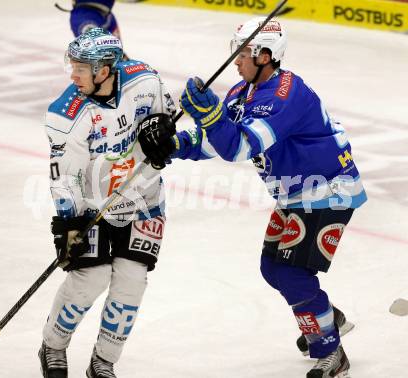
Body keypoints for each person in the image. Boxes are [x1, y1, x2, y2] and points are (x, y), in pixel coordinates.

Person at [138, 17, 366, 378]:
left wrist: (213, 118)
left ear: (266, 55)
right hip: (296, 192)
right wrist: (175, 144)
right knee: (273, 269)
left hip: (328, 188)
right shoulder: (241, 92)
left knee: (291, 274)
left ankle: (332, 351)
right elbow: (216, 141)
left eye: (244, 52)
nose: (236, 60)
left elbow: (241, 147)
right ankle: (328, 317)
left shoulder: (285, 95)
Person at [39, 27, 175, 378]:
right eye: (73, 66)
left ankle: (104, 361)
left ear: (104, 69)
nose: (73, 75)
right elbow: (64, 177)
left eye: (81, 68)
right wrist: (68, 225)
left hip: (144, 200)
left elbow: (168, 116)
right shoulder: (66, 115)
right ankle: (53, 345)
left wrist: (162, 133)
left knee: (132, 281)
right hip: (92, 208)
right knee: (90, 279)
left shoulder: (145, 81)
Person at [56, 0, 130, 59]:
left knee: (116, 54)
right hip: (86, 15)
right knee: (102, 54)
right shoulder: (83, 19)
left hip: (106, 14)